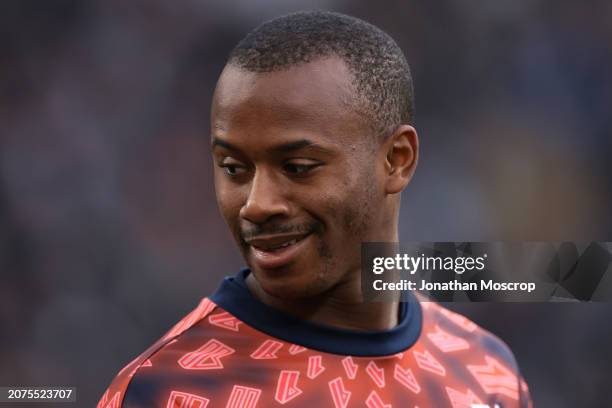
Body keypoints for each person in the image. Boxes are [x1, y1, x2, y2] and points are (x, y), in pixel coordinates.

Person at [98, 11, 531, 408]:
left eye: (297, 167)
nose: (256, 204)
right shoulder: (167, 391)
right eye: (234, 168)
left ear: (396, 160)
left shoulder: (487, 372)